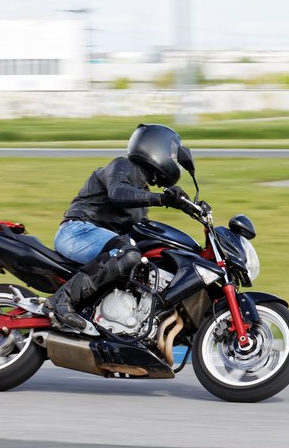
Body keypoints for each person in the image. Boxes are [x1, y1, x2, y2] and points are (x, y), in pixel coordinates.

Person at [48, 123, 197, 330]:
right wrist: (161, 199)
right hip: (77, 231)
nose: (173, 160)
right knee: (127, 254)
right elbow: (117, 193)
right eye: (171, 153)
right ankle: (60, 301)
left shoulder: (140, 193)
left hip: (97, 241)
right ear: (155, 146)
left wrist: (187, 206)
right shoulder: (123, 166)